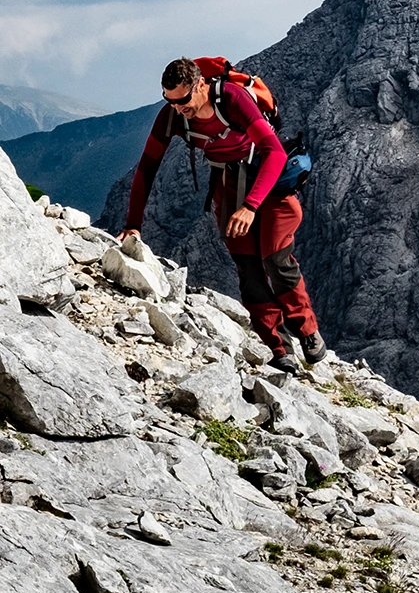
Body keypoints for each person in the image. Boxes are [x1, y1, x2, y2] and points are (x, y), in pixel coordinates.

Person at [118, 57, 325, 374]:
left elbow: (274, 152)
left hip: (268, 181)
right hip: (228, 186)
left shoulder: (231, 98)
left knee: (275, 258)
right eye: (169, 101)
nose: (178, 109)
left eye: (183, 100)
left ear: (200, 85)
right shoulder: (172, 116)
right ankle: (279, 349)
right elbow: (147, 167)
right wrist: (133, 225)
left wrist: (251, 206)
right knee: (248, 268)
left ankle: (307, 331)